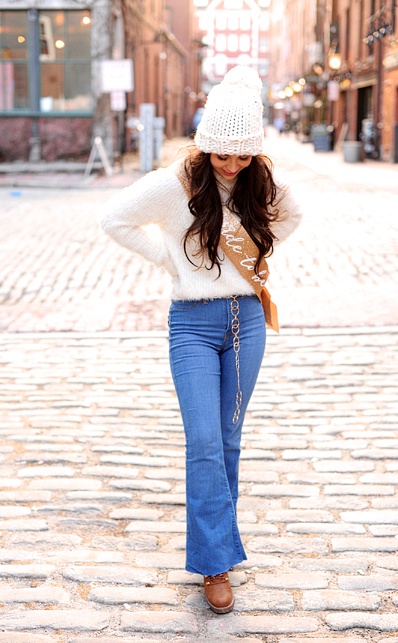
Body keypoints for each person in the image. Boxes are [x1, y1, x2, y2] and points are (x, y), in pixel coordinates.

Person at [101, 67, 302, 614]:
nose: (232, 165)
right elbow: (114, 218)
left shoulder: (264, 184)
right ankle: (214, 561)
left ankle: (219, 545)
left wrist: (258, 256)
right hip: (191, 324)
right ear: (205, 145)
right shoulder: (176, 185)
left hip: (246, 323)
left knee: (230, 441)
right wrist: (169, 258)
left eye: (243, 156)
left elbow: (294, 215)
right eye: (222, 155)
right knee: (205, 442)